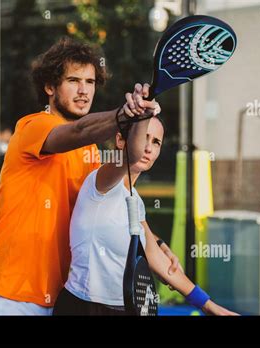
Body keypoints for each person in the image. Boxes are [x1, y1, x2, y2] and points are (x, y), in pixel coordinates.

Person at [0, 37, 180, 315]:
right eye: (73, 80)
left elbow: (105, 208)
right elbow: (77, 131)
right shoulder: (33, 126)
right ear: (49, 87)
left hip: (59, 294)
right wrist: (125, 114)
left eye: (90, 82)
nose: (84, 91)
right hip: (9, 291)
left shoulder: (91, 151)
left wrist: (156, 243)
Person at [52, 106, 239, 316]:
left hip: (124, 309)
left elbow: (158, 259)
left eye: (156, 142)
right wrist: (144, 109)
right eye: (143, 137)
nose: (148, 148)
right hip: (82, 308)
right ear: (121, 140)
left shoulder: (135, 201)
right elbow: (132, 155)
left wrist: (208, 305)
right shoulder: (99, 184)